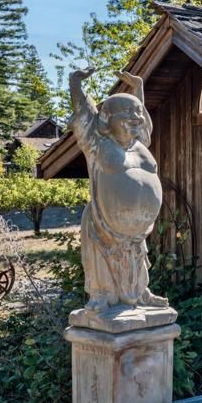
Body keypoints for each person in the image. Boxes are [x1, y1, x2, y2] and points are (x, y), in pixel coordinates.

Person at [69, 67, 168, 311]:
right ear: (107, 120)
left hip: (137, 231)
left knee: (137, 261)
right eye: (126, 116)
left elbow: (141, 119)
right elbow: (84, 114)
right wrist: (75, 84)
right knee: (103, 264)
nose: (135, 120)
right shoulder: (97, 143)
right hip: (105, 227)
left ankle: (140, 292)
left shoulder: (140, 143)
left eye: (137, 115)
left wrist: (138, 89)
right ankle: (101, 295)